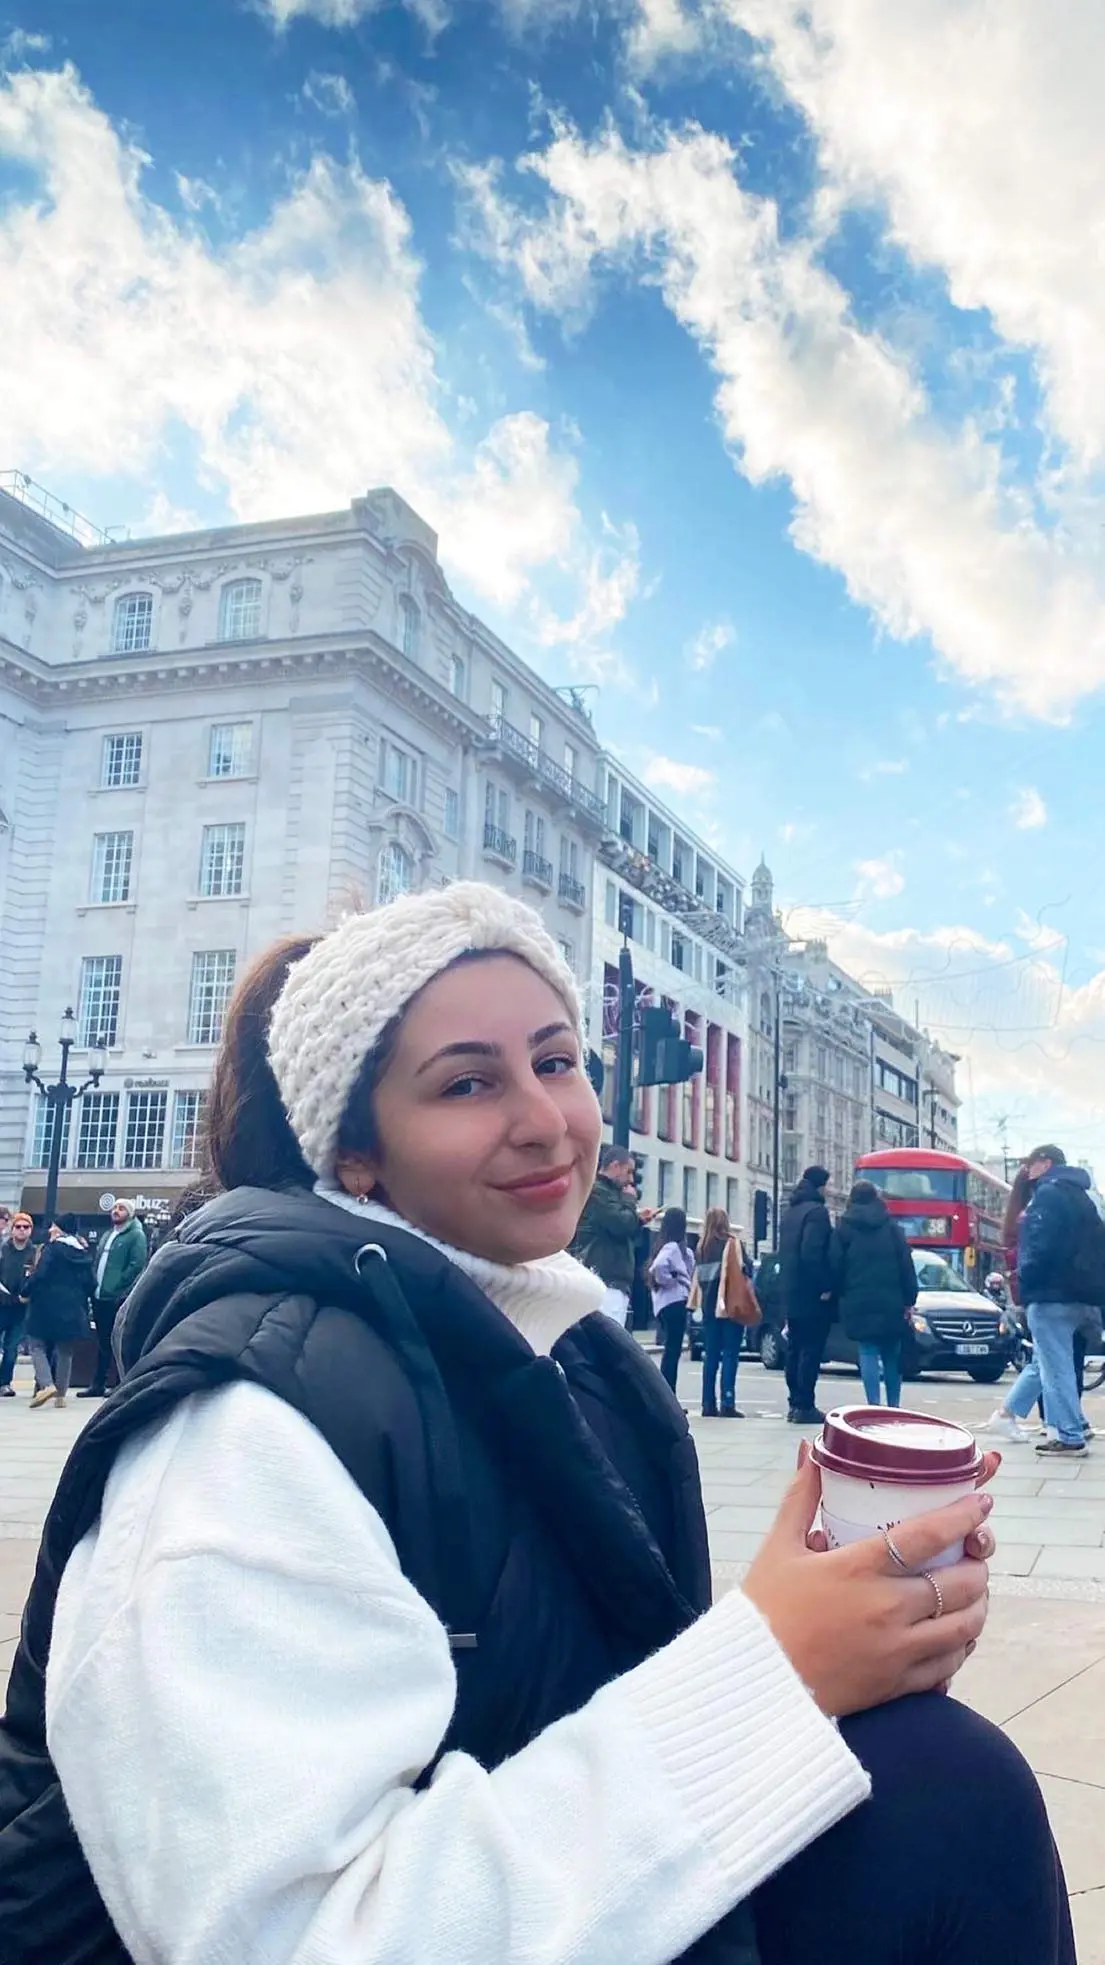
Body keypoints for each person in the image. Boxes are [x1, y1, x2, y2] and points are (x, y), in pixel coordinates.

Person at [0, 885, 1075, 1965]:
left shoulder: (573, 1358)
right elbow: (296, 1936)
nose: (544, 1118)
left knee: (941, 1777)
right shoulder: (242, 1433)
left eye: (556, 1062)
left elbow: (556, 1698)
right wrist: (772, 1673)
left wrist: (803, 1623)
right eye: (467, 1082)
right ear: (357, 1154)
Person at [989, 1146, 1103, 1458]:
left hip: (1051, 1295)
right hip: (1083, 1296)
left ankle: (1068, 1436)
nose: (1027, 1170)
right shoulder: (1083, 1196)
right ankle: (1017, 1415)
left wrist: (1026, 1278)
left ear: (1046, 1163)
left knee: (1055, 1367)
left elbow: (1038, 1245)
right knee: (1053, 1362)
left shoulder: (1047, 1195)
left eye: (1031, 1163)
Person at [829, 1182, 918, 1409]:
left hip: (858, 1298)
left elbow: (835, 1264)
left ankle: (873, 1404)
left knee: (867, 1350)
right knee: (891, 1353)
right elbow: (906, 1265)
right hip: (892, 1299)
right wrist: (910, 1299)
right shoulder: (892, 1228)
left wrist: (839, 1292)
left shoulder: (845, 1228)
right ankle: (894, 1405)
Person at [571, 1142, 655, 1325]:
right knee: (608, 1335)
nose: (631, 1179)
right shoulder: (598, 1192)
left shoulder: (606, 1193)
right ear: (615, 1166)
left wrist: (638, 1219)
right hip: (604, 1276)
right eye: (629, 1171)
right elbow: (620, 1224)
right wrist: (630, 1203)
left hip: (609, 1276)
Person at [778, 1165, 834, 1424]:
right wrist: (825, 1285)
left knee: (794, 1347)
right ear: (820, 1185)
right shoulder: (817, 1213)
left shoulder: (790, 1213)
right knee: (810, 1350)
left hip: (790, 1290)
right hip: (811, 1294)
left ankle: (794, 1403)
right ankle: (805, 1404)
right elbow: (813, 1252)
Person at [79, 1198, 149, 1398]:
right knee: (102, 1341)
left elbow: (136, 1265)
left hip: (116, 1296)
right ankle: (98, 1383)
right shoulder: (108, 1235)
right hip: (100, 1295)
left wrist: (120, 1286)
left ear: (130, 1212)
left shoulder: (136, 1235)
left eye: (121, 1208)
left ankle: (118, 1383)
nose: (116, 1211)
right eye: (114, 1208)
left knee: (117, 1340)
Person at [691, 1206, 756, 1418]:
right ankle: (728, 1401)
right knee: (730, 1353)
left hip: (709, 1309)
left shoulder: (701, 1248)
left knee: (711, 1356)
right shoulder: (732, 1243)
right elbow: (746, 1269)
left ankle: (707, 1404)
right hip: (729, 1306)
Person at [23, 1215, 93, 1410]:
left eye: (53, 1226)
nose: (50, 1230)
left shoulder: (52, 1249)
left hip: (46, 1305)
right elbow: (91, 1283)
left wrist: (25, 1290)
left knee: (36, 1344)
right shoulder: (83, 1253)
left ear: (60, 1229)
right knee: (65, 1350)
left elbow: (40, 1274)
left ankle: (46, 1385)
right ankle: (61, 1396)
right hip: (73, 1307)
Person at [649, 1206, 694, 1397]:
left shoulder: (665, 1246)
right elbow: (658, 1268)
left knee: (671, 1350)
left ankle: (667, 1394)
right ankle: (668, 1395)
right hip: (675, 1302)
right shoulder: (673, 1248)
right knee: (672, 1351)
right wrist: (671, 1278)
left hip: (664, 1304)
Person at [0, 1212, 35, 1397]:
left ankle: (4, 1383)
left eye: (26, 1227)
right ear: (12, 1229)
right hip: (2, 1303)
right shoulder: (3, 1249)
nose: (22, 1230)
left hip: (21, 1307)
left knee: (12, 1347)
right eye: (18, 1226)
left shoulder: (34, 1252)